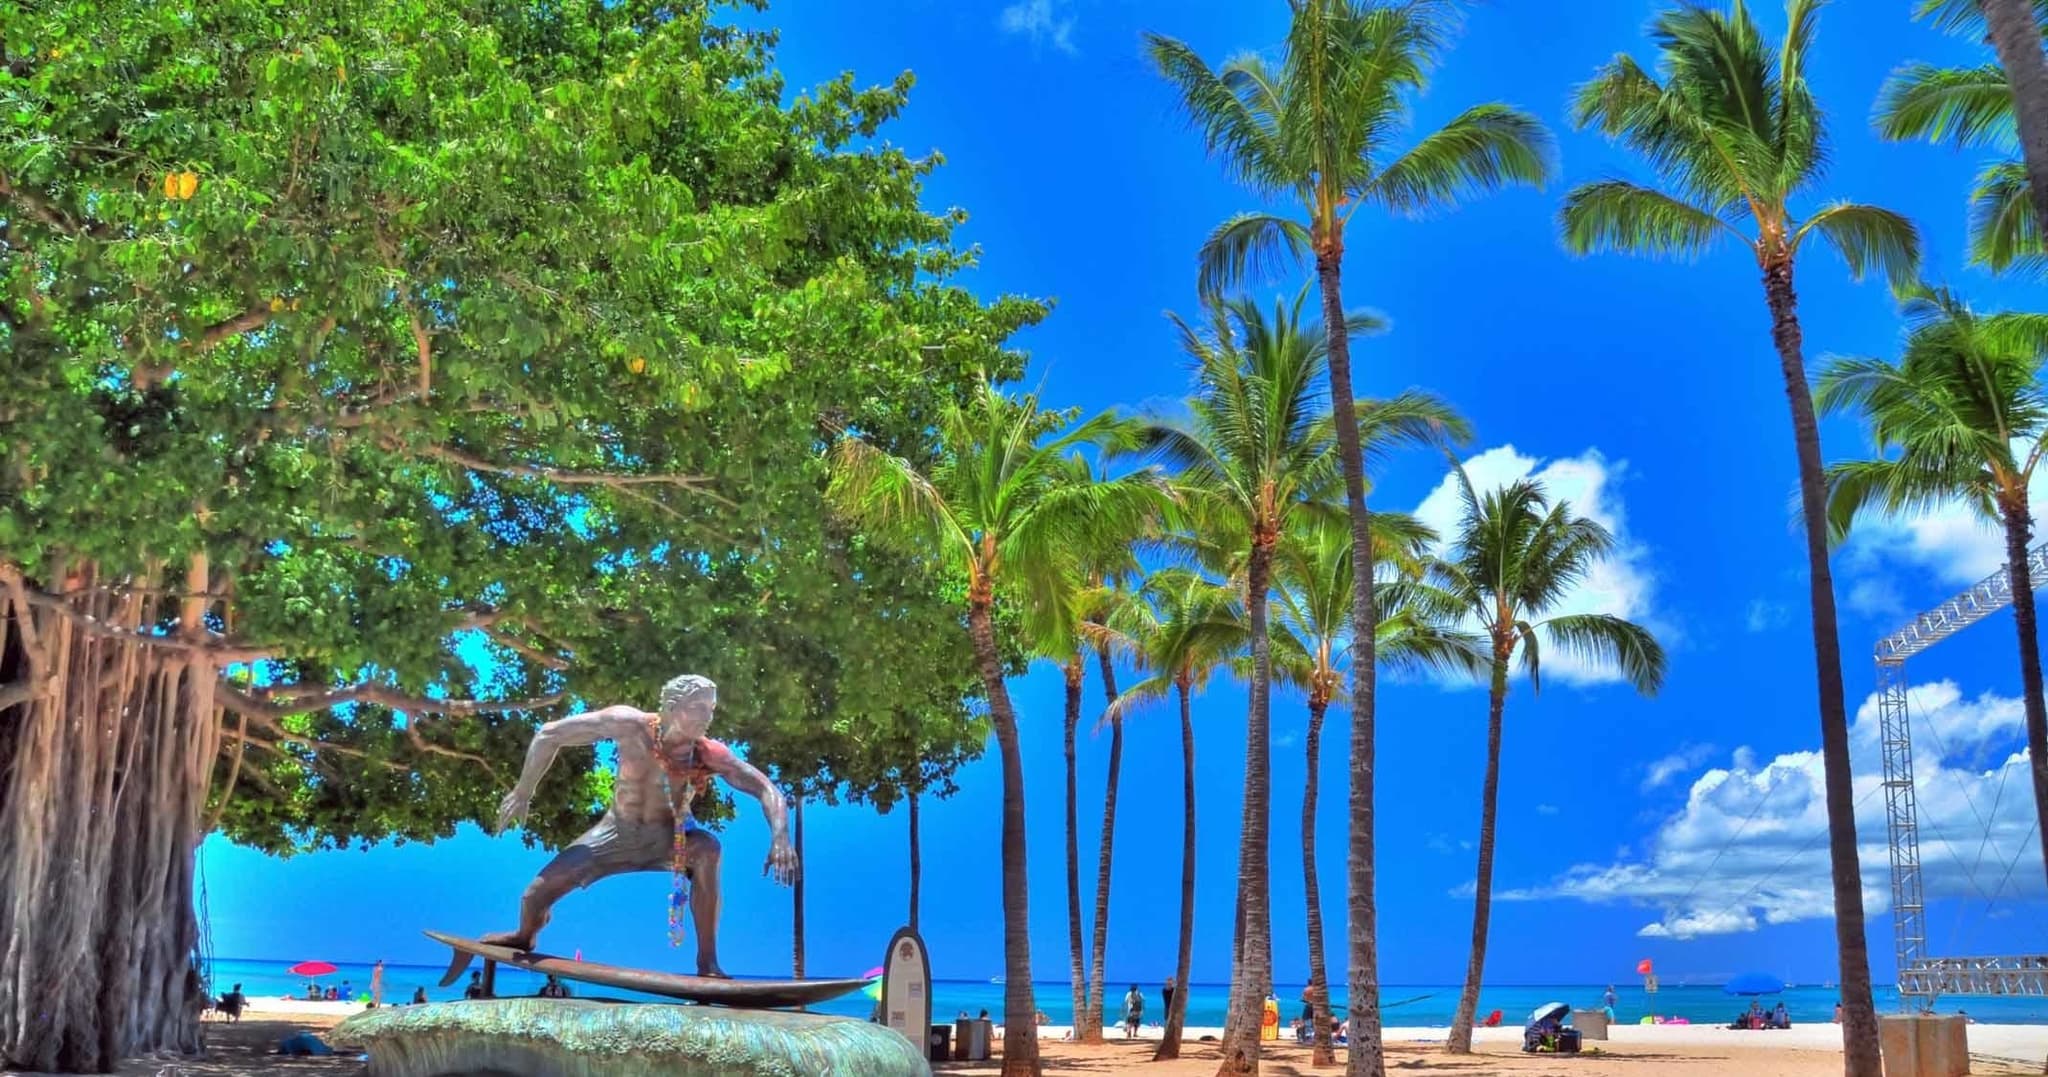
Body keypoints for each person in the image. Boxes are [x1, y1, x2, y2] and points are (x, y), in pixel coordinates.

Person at [476, 675, 797, 980]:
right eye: (699, 707)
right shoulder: (629, 725)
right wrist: (523, 791)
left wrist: (780, 836)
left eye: (711, 709)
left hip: (667, 841)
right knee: (533, 898)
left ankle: (707, 961)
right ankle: (524, 936)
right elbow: (550, 734)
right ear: (672, 706)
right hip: (613, 838)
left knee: (709, 848)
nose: (707, 717)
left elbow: (765, 789)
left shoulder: (708, 753)